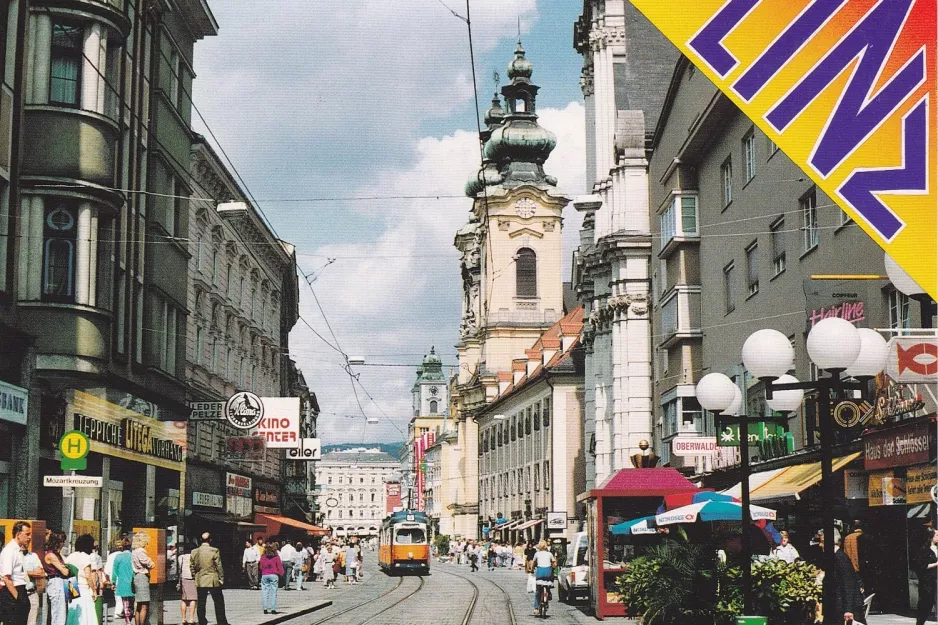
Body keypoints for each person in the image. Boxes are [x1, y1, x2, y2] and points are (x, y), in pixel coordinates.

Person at [819, 529, 864, 625]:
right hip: (837, 607)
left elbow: (848, 584)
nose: (820, 545)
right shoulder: (833, 557)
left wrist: (848, 610)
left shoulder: (841, 558)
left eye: (822, 542)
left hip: (844, 610)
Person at [190, 533, 228, 625]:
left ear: (200, 540)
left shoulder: (194, 551)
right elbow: (219, 566)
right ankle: (221, 621)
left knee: (201, 602)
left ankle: (202, 621)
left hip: (200, 579)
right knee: (218, 601)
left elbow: (191, 566)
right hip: (213, 579)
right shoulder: (214, 550)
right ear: (210, 540)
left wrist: (195, 576)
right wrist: (221, 578)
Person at [1, 521, 34, 625]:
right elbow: (6, 578)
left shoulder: (17, 550)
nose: (29, 537)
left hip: (20, 590)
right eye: (27, 534)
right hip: (12, 593)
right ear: (18, 534)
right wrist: (18, 598)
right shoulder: (9, 551)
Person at [64, 534, 99, 625]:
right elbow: (88, 576)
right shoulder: (85, 557)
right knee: (85, 613)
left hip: (71, 585)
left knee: (74, 611)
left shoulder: (70, 557)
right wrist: (94, 590)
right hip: (83, 587)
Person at [44, 532, 71, 625]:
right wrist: (66, 568)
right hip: (55, 581)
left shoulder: (57, 554)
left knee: (62, 609)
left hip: (61, 582)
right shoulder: (51, 555)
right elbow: (65, 571)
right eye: (62, 541)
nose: (63, 544)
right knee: (58, 611)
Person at [106, 539, 132, 625]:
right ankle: (130, 615)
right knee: (132, 601)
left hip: (121, 582)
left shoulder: (118, 557)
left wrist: (113, 581)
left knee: (124, 601)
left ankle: (127, 620)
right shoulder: (132, 556)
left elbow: (114, 571)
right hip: (132, 581)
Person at [915, 528, 937, 625]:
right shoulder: (924, 550)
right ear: (931, 537)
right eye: (936, 535)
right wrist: (936, 564)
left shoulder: (936, 548)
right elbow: (921, 566)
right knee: (926, 605)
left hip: (936, 580)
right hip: (928, 583)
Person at [129, 533, 153, 625]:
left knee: (139, 605)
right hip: (142, 577)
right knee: (144, 605)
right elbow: (147, 562)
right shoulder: (141, 551)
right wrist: (151, 563)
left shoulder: (134, 551)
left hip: (136, 576)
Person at [22, 541, 45, 625]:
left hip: (31, 594)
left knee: (32, 622)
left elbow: (41, 573)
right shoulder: (13, 556)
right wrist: (32, 572)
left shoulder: (33, 556)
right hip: (17, 595)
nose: (26, 543)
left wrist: (25, 573)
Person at [531, 541, 556, 616]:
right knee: (548, 583)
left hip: (540, 572)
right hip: (548, 572)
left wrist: (532, 569)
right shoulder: (550, 554)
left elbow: (533, 563)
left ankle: (536, 608)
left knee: (538, 590)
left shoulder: (537, 554)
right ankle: (549, 593)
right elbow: (554, 564)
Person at [258, 544, 283, 615]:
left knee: (265, 592)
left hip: (265, 575)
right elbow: (280, 567)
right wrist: (281, 574)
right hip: (274, 575)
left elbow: (261, 566)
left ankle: (265, 609)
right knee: (273, 592)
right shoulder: (276, 557)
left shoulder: (263, 557)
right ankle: (273, 609)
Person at [176, 546, 196, 625]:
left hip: (183, 578)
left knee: (184, 599)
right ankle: (191, 618)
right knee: (193, 599)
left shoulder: (180, 557)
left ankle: (183, 618)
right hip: (192, 578)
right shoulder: (194, 556)